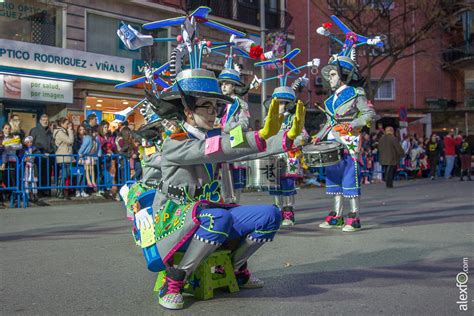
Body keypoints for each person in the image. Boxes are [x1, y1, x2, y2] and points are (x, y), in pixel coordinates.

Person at [133, 47, 305, 309]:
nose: (214, 112)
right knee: (219, 217)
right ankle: (176, 280)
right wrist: (258, 136)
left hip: (207, 212)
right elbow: (212, 150)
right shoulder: (175, 143)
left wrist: (286, 138)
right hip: (175, 216)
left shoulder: (213, 138)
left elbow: (236, 151)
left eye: (215, 107)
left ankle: (235, 268)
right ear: (188, 112)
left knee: (271, 215)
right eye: (207, 106)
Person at [312, 54, 375, 232]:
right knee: (334, 178)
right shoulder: (329, 101)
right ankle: (337, 216)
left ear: (343, 76)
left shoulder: (356, 93)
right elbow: (329, 123)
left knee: (350, 178)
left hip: (350, 142)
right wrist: (318, 136)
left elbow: (368, 114)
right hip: (333, 143)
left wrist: (352, 124)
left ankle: (354, 216)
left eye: (333, 74)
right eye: (329, 75)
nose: (329, 78)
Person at [29, 114, 55, 196]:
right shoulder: (34, 130)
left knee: (47, 175)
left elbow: (52, 144)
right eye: (43, 120)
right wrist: (39, 153)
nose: (45, 121)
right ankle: (39, 192)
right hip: (38, 157)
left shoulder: (49, 131)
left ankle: (46, 191)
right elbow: (31, 144)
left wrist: (52, 151)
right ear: (40, 121)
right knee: (39, 175)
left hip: (48, 157)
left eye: (46, 120)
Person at [53, 117, 74, 199]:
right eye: (66, 123)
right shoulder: (60, 132)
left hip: (66, 157)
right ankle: (59, 192)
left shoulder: (64, 131)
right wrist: (70, 131)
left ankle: (63, 192)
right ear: (61, 124)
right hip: (62, 157)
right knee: (63, 175)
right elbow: (70, 141)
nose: (68, 125)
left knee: (66, 175)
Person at [22, 136, 40, 203]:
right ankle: (28, 194)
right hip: (27, 167)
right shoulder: (24, 150)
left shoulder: (35, 149)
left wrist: (35, 156)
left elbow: (38, 154)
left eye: (31, 142)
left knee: (34, 181)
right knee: (27, 180)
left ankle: (35, 193)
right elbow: (22, 158)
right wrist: (25, 159)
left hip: (33, 166)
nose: (29, 143)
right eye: (28, 142)